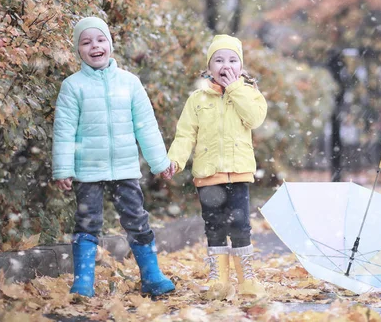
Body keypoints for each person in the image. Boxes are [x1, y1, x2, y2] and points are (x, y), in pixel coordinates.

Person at [52, 17, 175, 297]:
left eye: (100, 39)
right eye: (86, 42)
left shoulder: (130, 83)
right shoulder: (73, 86)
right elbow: (64, 131)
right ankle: (83, 281)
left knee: (136, 219)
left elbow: (146, 125)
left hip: (125, 168)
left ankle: (152, 275)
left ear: (110, 44)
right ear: (78, 50)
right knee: (87, 223)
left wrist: (160, 163)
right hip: (87, 169)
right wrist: (63, 169)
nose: (94, 46)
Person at [164, 34, 267, 300]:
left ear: (241, 67)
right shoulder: (197, 99)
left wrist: (235, 89)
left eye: (233, 60)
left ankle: (246, 280)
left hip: (239, 172)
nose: (226, 65)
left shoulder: (249, 94)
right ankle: (218, 279)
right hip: (209, 175)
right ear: (209, 67)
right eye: (219, 60)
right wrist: (175, 160)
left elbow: (254, 119)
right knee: (214, 226)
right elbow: (185, 134)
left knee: (241, 224)